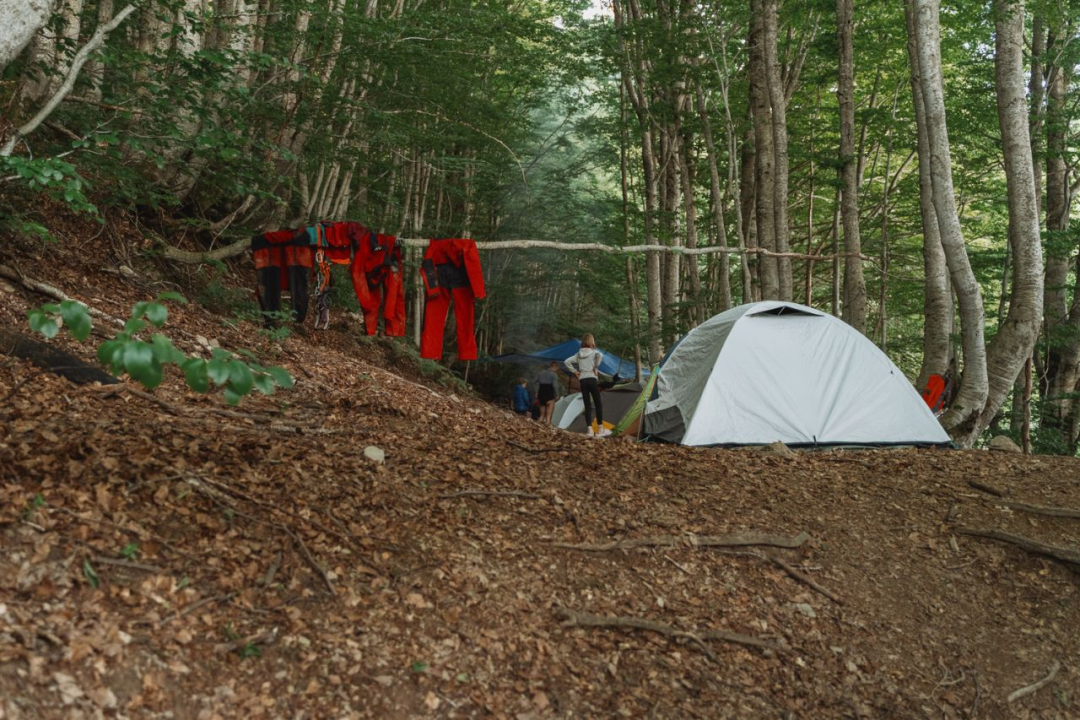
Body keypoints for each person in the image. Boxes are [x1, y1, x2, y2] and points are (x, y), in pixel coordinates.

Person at [565, 334, 609, 437]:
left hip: (583, 380)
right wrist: (595, 366)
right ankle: (600, 430)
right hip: (592, 379)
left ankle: (589, 430)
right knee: (598, 404)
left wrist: (575, 371)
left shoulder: (578, 354)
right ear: (592, 341)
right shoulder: (594, 352)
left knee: (587, 405)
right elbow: (600, 355)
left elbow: (567, 361)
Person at [535, 360, 560, 425]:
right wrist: (557, 395)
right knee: (548, 418)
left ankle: (536, 428)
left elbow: (535, 382)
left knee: (541, 416)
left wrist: (536, 392)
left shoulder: (540, 373)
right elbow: (555, 386)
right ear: (555, 367)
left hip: (541, 395)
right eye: (557, 368)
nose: (556, 370)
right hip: (549, 396)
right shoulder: (554, 375)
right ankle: (548, 428)